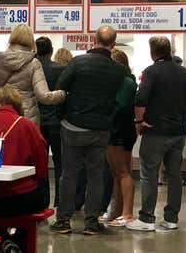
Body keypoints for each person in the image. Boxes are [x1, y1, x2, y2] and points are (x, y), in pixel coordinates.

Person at [50, 26, 125, 235]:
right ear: (113, 44)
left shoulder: (77, 62)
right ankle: (91, 222)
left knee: (69, 174)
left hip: (72, 126)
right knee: (96, 176)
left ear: (94, 40)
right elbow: (124, 99)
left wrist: (62, 115)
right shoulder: (118, 70)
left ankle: (63, 220)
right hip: (100, 129)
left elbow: (60, 88)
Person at [126, 36, 186, 232]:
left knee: (149, 174)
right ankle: (171, 218)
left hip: (155, 131)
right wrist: (181, 117)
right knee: (174, 175)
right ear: (169, 50)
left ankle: (147, 218)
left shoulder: (151, 72)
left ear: (153, 52)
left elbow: (140, 98)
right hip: (178, 133)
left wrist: (139, 122)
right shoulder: (184, 73)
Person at [0, 86, 49, 250]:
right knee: (36, 197)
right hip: (19, 200)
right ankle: (17, 241)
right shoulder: (27, 126)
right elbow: (41, 167)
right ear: (18, 105)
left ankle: (3, 238)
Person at [0, 24, 65, 126]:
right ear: (31, 41)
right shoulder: (33, 63)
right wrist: (63, 94)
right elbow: (44, 96)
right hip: (26, 118)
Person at [104, 49, 138, 227]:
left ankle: (127, 213)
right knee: (116, 172)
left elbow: (121, 107)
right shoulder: (126, 81)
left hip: (119, 131)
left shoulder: (126, 82)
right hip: (118, 129)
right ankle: (117, 211)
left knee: (123, 172)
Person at [35, 36, 65, 207]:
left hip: (37, 121)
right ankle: (59, 201)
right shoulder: (61, 69)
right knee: (61, 162)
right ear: (51, 51)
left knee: (40, 163)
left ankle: (42, 201)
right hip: (56, 121)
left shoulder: (31, 68)